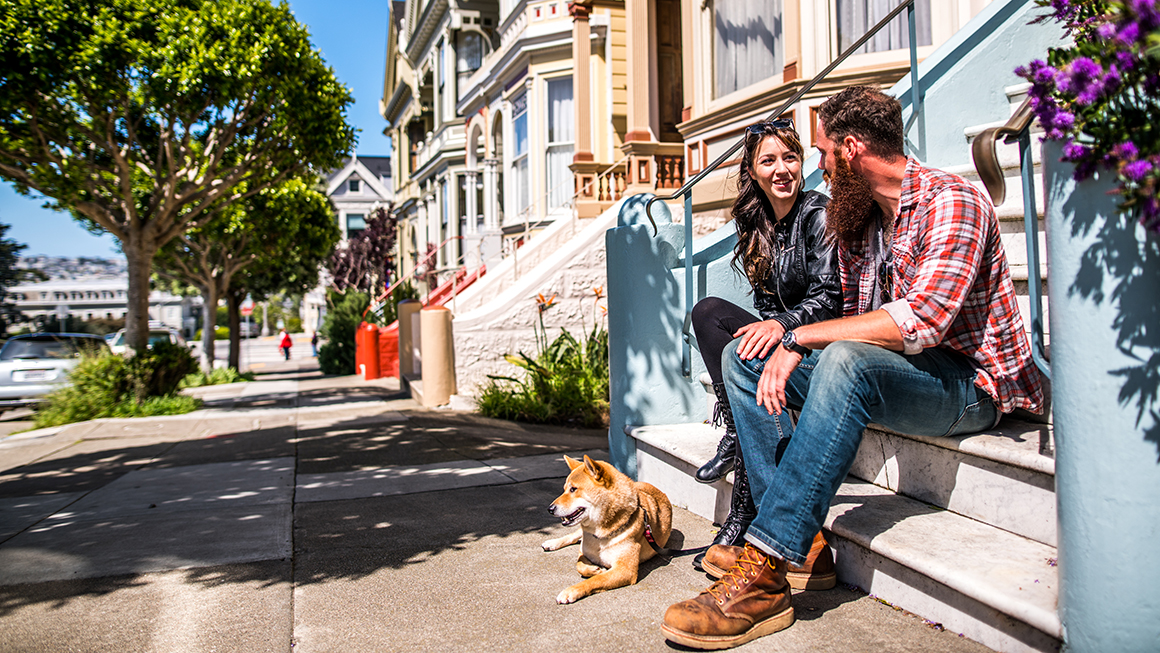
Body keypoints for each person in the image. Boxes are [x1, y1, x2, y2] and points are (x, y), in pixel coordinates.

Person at [661, 86, 1044, 650]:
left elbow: (921, 321)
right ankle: (806, 542)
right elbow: (848, 312)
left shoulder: (952, 200)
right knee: (743, 358)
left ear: (851, 148)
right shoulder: (862, 219)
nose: (815, 167)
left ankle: (765, 567)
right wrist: (786, 343)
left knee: (841, 358)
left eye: (820, 153)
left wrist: (798, 335)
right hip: (892, 371)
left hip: (969, 384)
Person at [689, 118, 840, 569]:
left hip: (818, 345)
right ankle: (737, 435)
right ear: (752, 171)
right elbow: (766, 303)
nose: (781, 169)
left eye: (790, 157)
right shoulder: (756, 223)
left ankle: (744, 512)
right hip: (784, 334)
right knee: (707, 313)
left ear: (802, 162)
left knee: (742, 358)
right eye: (768, 160)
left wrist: (784, 329)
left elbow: (832, 297)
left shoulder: (818, 212)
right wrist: (772, 328)